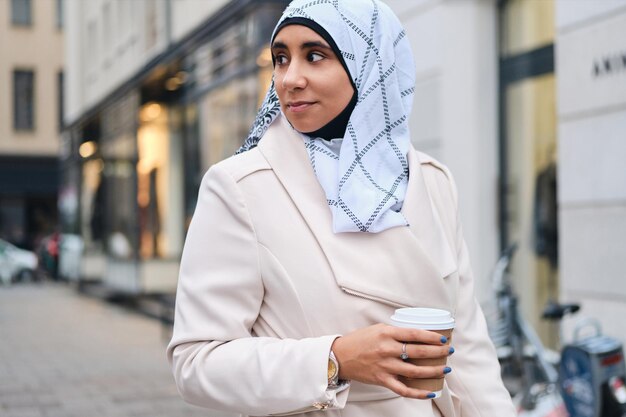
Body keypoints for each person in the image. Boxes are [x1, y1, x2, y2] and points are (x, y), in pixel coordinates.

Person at [167, 1, 516, 416]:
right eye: (281, 58)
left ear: (368, 64)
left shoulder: (431, 180)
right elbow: (196, 363)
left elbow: (469, 348)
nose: (289, 78)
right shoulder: (241, 187)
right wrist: (334, 359)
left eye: (315, 56)